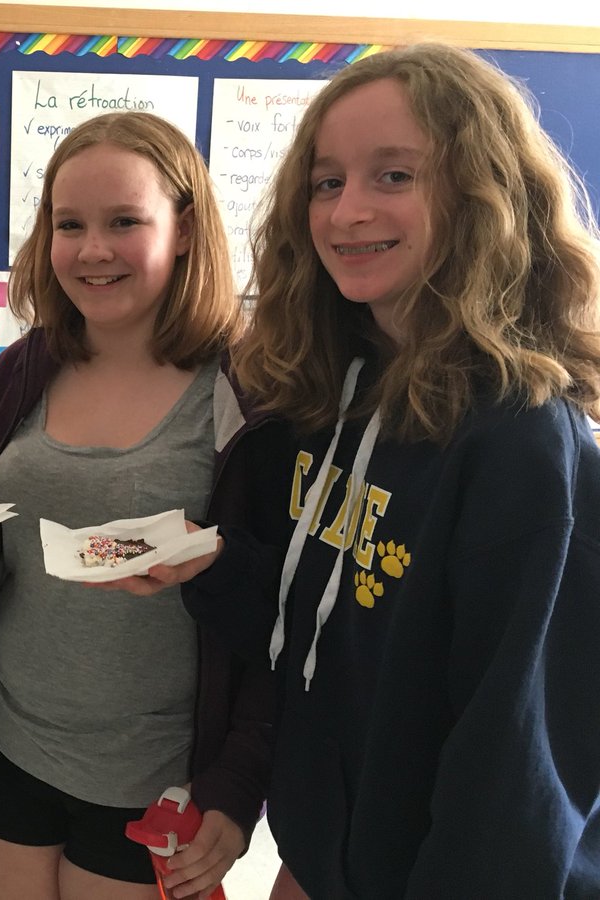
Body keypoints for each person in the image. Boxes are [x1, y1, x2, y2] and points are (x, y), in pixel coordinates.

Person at [176, 43, 600, 898]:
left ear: (485, 194)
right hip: (323, 859)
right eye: (326, 182)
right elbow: (334, 626)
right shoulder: (331, 396)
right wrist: (216, 569)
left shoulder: (523, 442)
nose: (346, 212)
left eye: (395, 176)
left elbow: (516, 771)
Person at [0, 111, 275, 900]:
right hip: (10, 740)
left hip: (153, 776)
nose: (92, 250)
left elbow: (277, 608)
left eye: (126, 222)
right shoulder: (23, 369)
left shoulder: (246, 388)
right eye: (70, 224)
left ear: (184, 229)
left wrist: (239, 778)